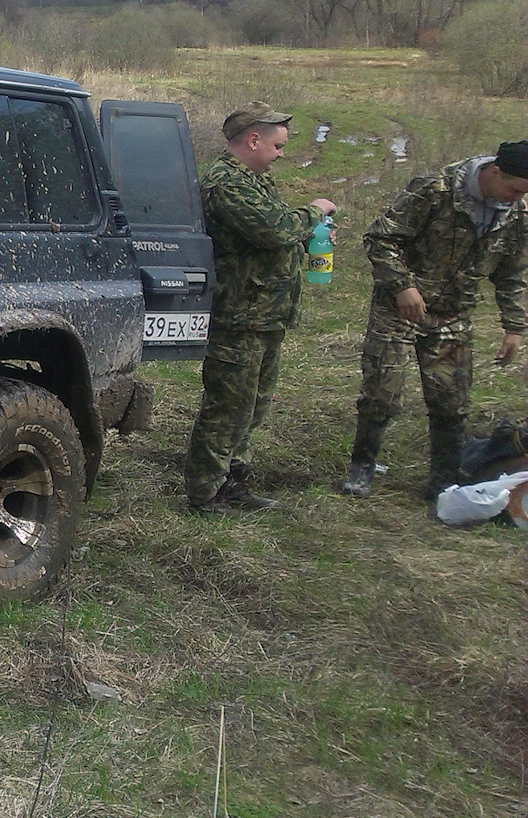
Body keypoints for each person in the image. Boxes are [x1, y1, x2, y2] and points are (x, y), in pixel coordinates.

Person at [340, 141, 528, 498]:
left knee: (451, 401)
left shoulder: (517, 212)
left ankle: (444, 480)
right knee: (382, 391)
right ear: (493, 172)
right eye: (513, 189)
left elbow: (512, 272)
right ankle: (361, 466)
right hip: (399, 308)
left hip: (453, 312)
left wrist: (515, 326)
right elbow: (381, 239)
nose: (516, 199)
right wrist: (402, 286)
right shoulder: (435, 190)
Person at [183, 105, 336, 513]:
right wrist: (316, 211)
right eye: (278, 145)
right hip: (239, 316)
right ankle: (206, 492)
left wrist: (307, 237)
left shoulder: (253, 180)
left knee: (251, 409)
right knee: (227, 408)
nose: (281, 154)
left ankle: (234, 482)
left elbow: (276, 230)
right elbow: (277, 228)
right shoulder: (226, 183)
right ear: (253, 140)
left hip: (264, 315)